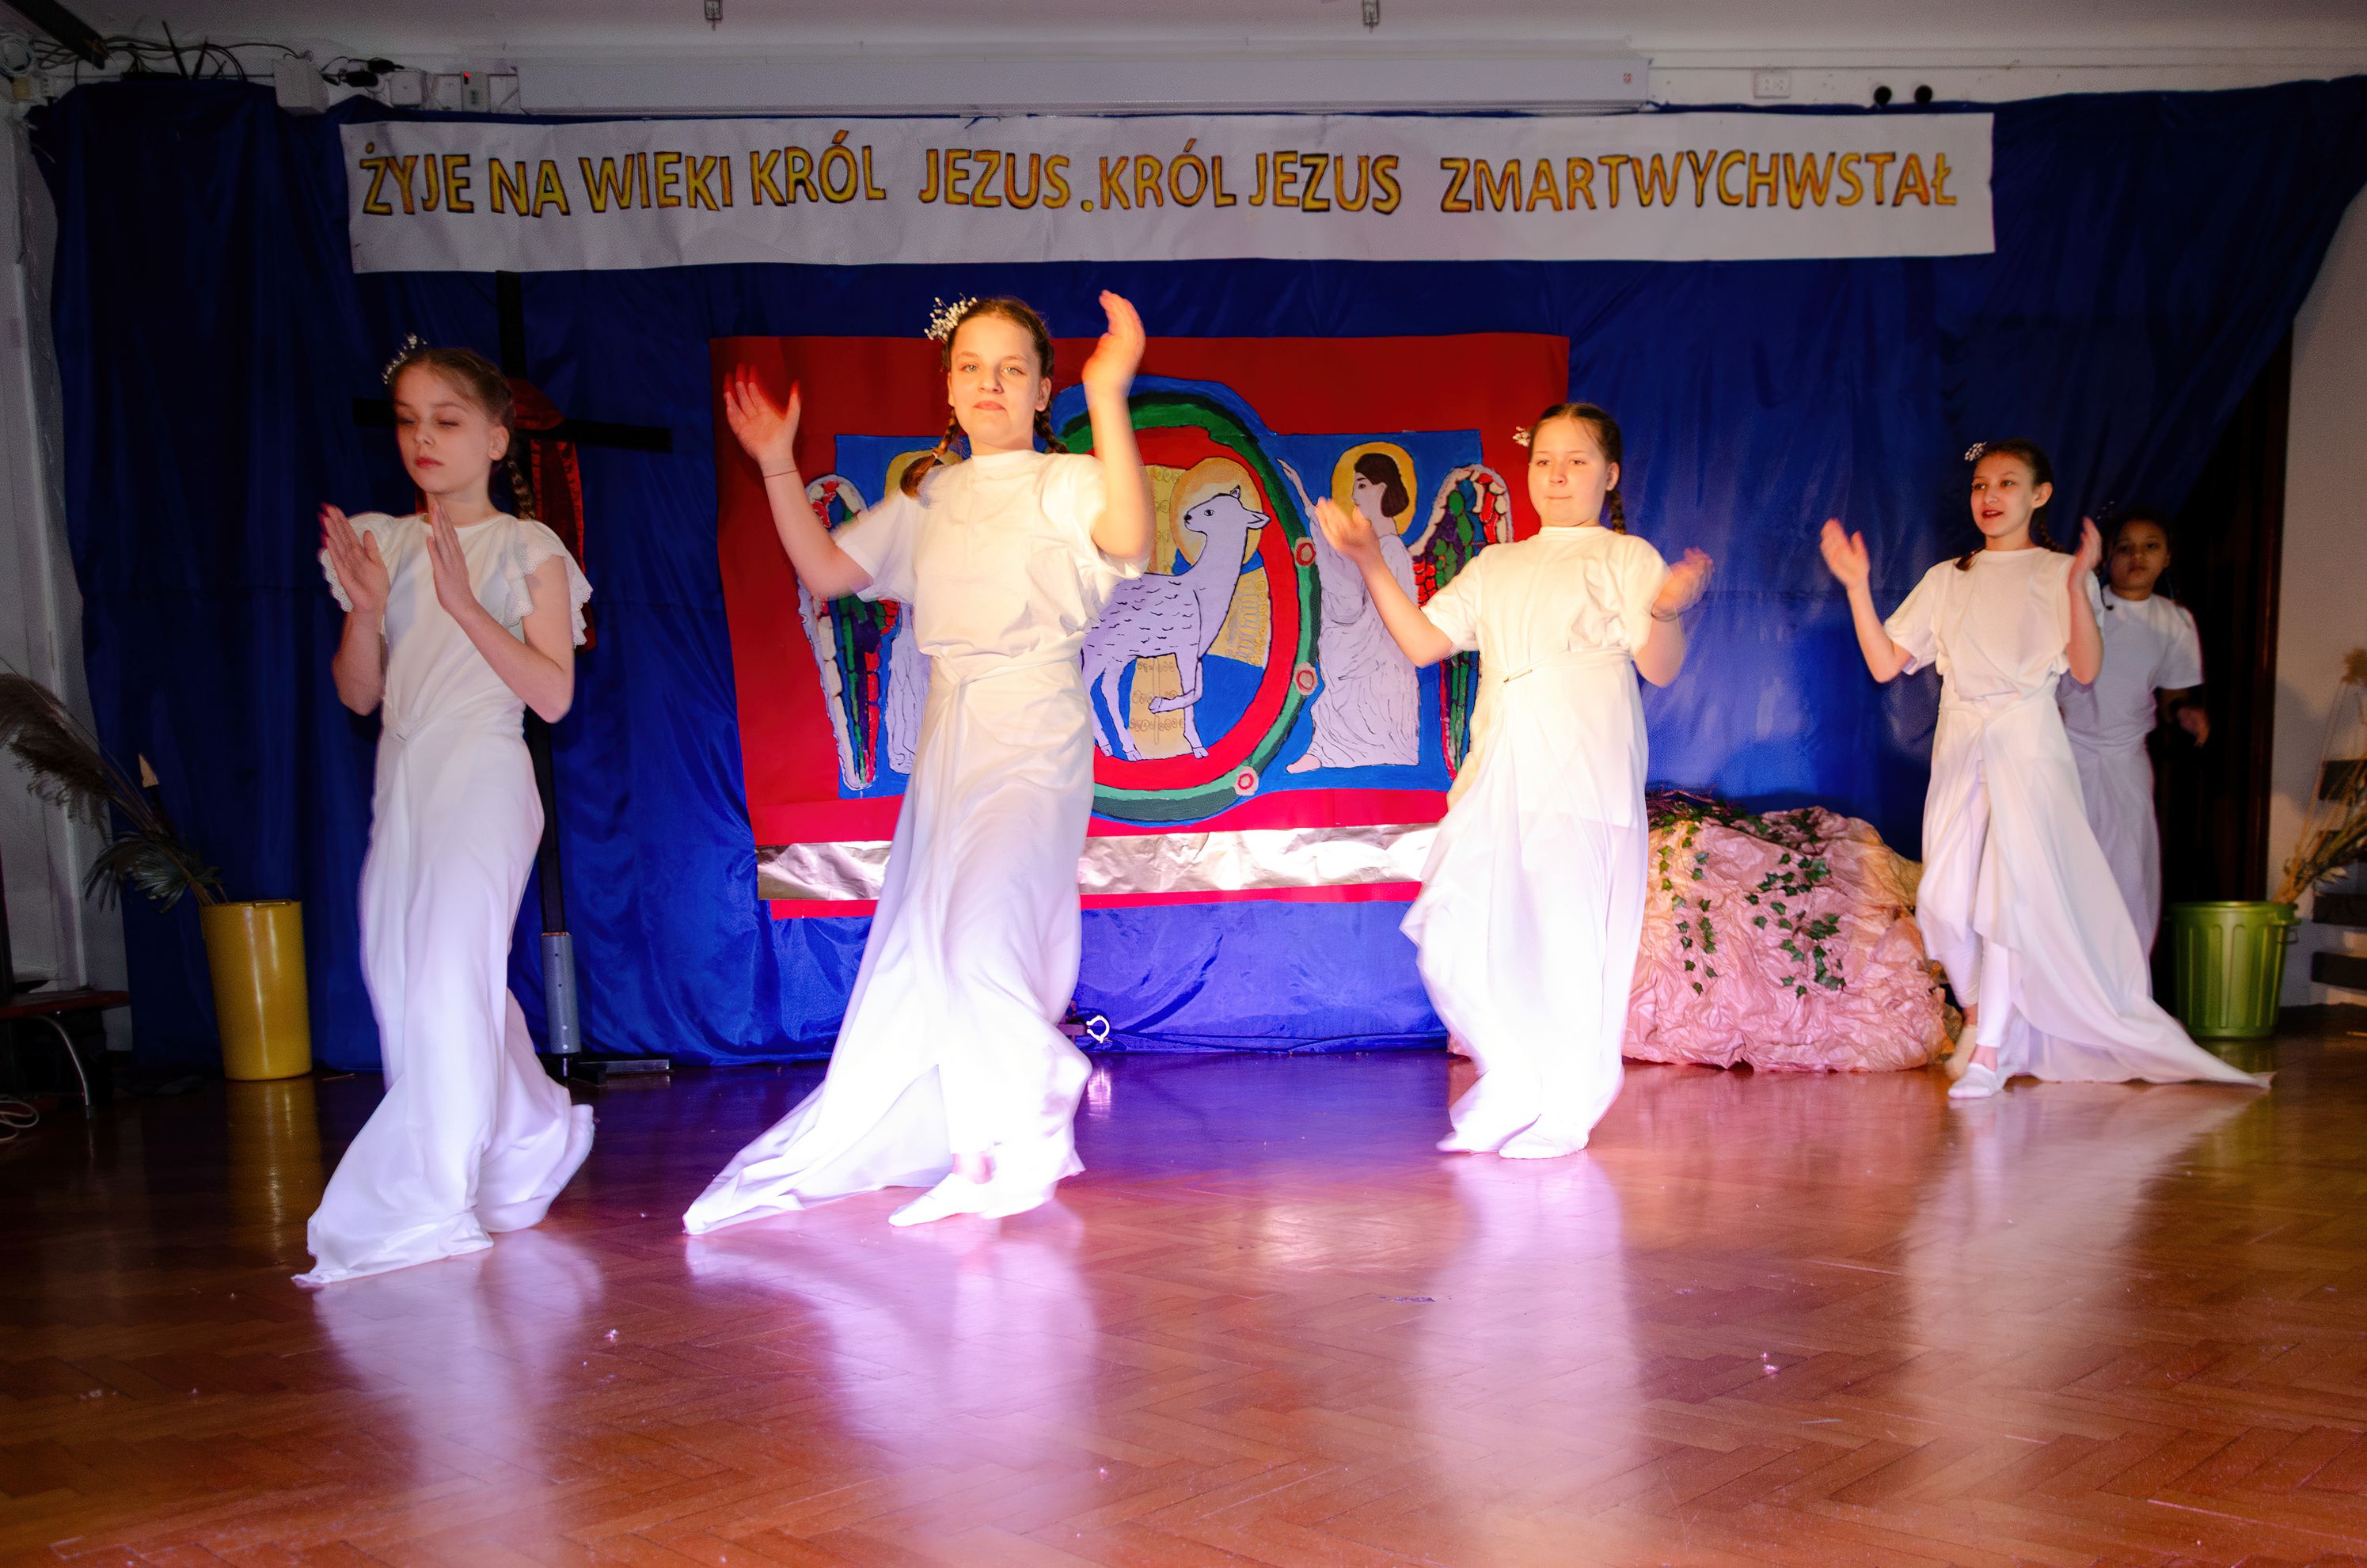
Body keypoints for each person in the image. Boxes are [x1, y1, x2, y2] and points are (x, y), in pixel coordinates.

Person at [686, 293, 1153, 1230]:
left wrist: (1108, 392)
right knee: (937, 947)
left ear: (1042, 390)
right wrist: (776, 463)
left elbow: (1129, 539)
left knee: (981, 931)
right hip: (951, 736)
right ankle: (978, 1149)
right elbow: (826, 573)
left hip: (1032, 720)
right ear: (947, 385)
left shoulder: (1065, 481)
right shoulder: (930, 499)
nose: (989, 383)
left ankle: (1030, 1113)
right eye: (970, 366)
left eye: (1012, 369)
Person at [1316, 402, 1712, 1157]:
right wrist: (1369, 559)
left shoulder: (1625, 558)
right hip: (1501, 765)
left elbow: (1660, 667)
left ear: (1610, 475)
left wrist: (1663, 611)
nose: (1557, 475)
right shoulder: (1497, 565)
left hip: (1584, 763)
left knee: (1567, 938)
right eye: (1545, 460)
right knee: (1453, 932)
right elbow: (1424, 642)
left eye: (1577, 461)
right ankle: (1513, 1081)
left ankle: (1569, 1105)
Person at [1818, 441, 2263, 1100]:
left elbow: (2085, 668)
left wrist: (2079, 583)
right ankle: (1980, 1018)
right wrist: (1858, 586)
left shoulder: (2061, 573)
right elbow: (1886, 662)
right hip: (1962, 744)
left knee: (2009, 897)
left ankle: (1990, 1052)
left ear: (2040, 494)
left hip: (2028, 742)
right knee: (1943, 905)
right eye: (1980, 484)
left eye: (2007, 482)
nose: (1990, 495)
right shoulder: (1947, 578)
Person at [300, 344, 595, 1285]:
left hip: (483, 775)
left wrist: (466, 604)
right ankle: (526, 1135)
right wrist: (366, 610)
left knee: (443, 979)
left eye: (447, 419)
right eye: (408, 419)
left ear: (496, 438)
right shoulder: (378, 542)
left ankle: (433, 1199)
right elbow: (359, 694)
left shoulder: (528, 548)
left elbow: (552, 696)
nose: (422, 437)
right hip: (406, 776)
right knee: (404, 977)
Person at [2057, 509, 2206, 954]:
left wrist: (2186, 713)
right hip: (2066, 752)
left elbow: (2174, 692)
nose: (2137, 556)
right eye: (2125, 548)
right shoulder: (2083, 605)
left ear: (2167, 557)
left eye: (2150, 546)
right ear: (2107, 558)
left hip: (2126, 759)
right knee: (2068, 862)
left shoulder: (2175, 621)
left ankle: (2126, 975)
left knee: (2128, 867)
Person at [1290, 450, 1422, 773]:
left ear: (1381, 488)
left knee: (1357, 677)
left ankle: (1345, 749)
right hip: (1365, 651)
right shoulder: (1375, 549)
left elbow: (1383, 619)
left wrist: (1344, 639)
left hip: (1383, 660)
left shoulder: (1392, 552)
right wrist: (1308, 504)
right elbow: (1344, 581)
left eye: (1361, 485)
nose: (1353, 496)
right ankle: (1328, 749)